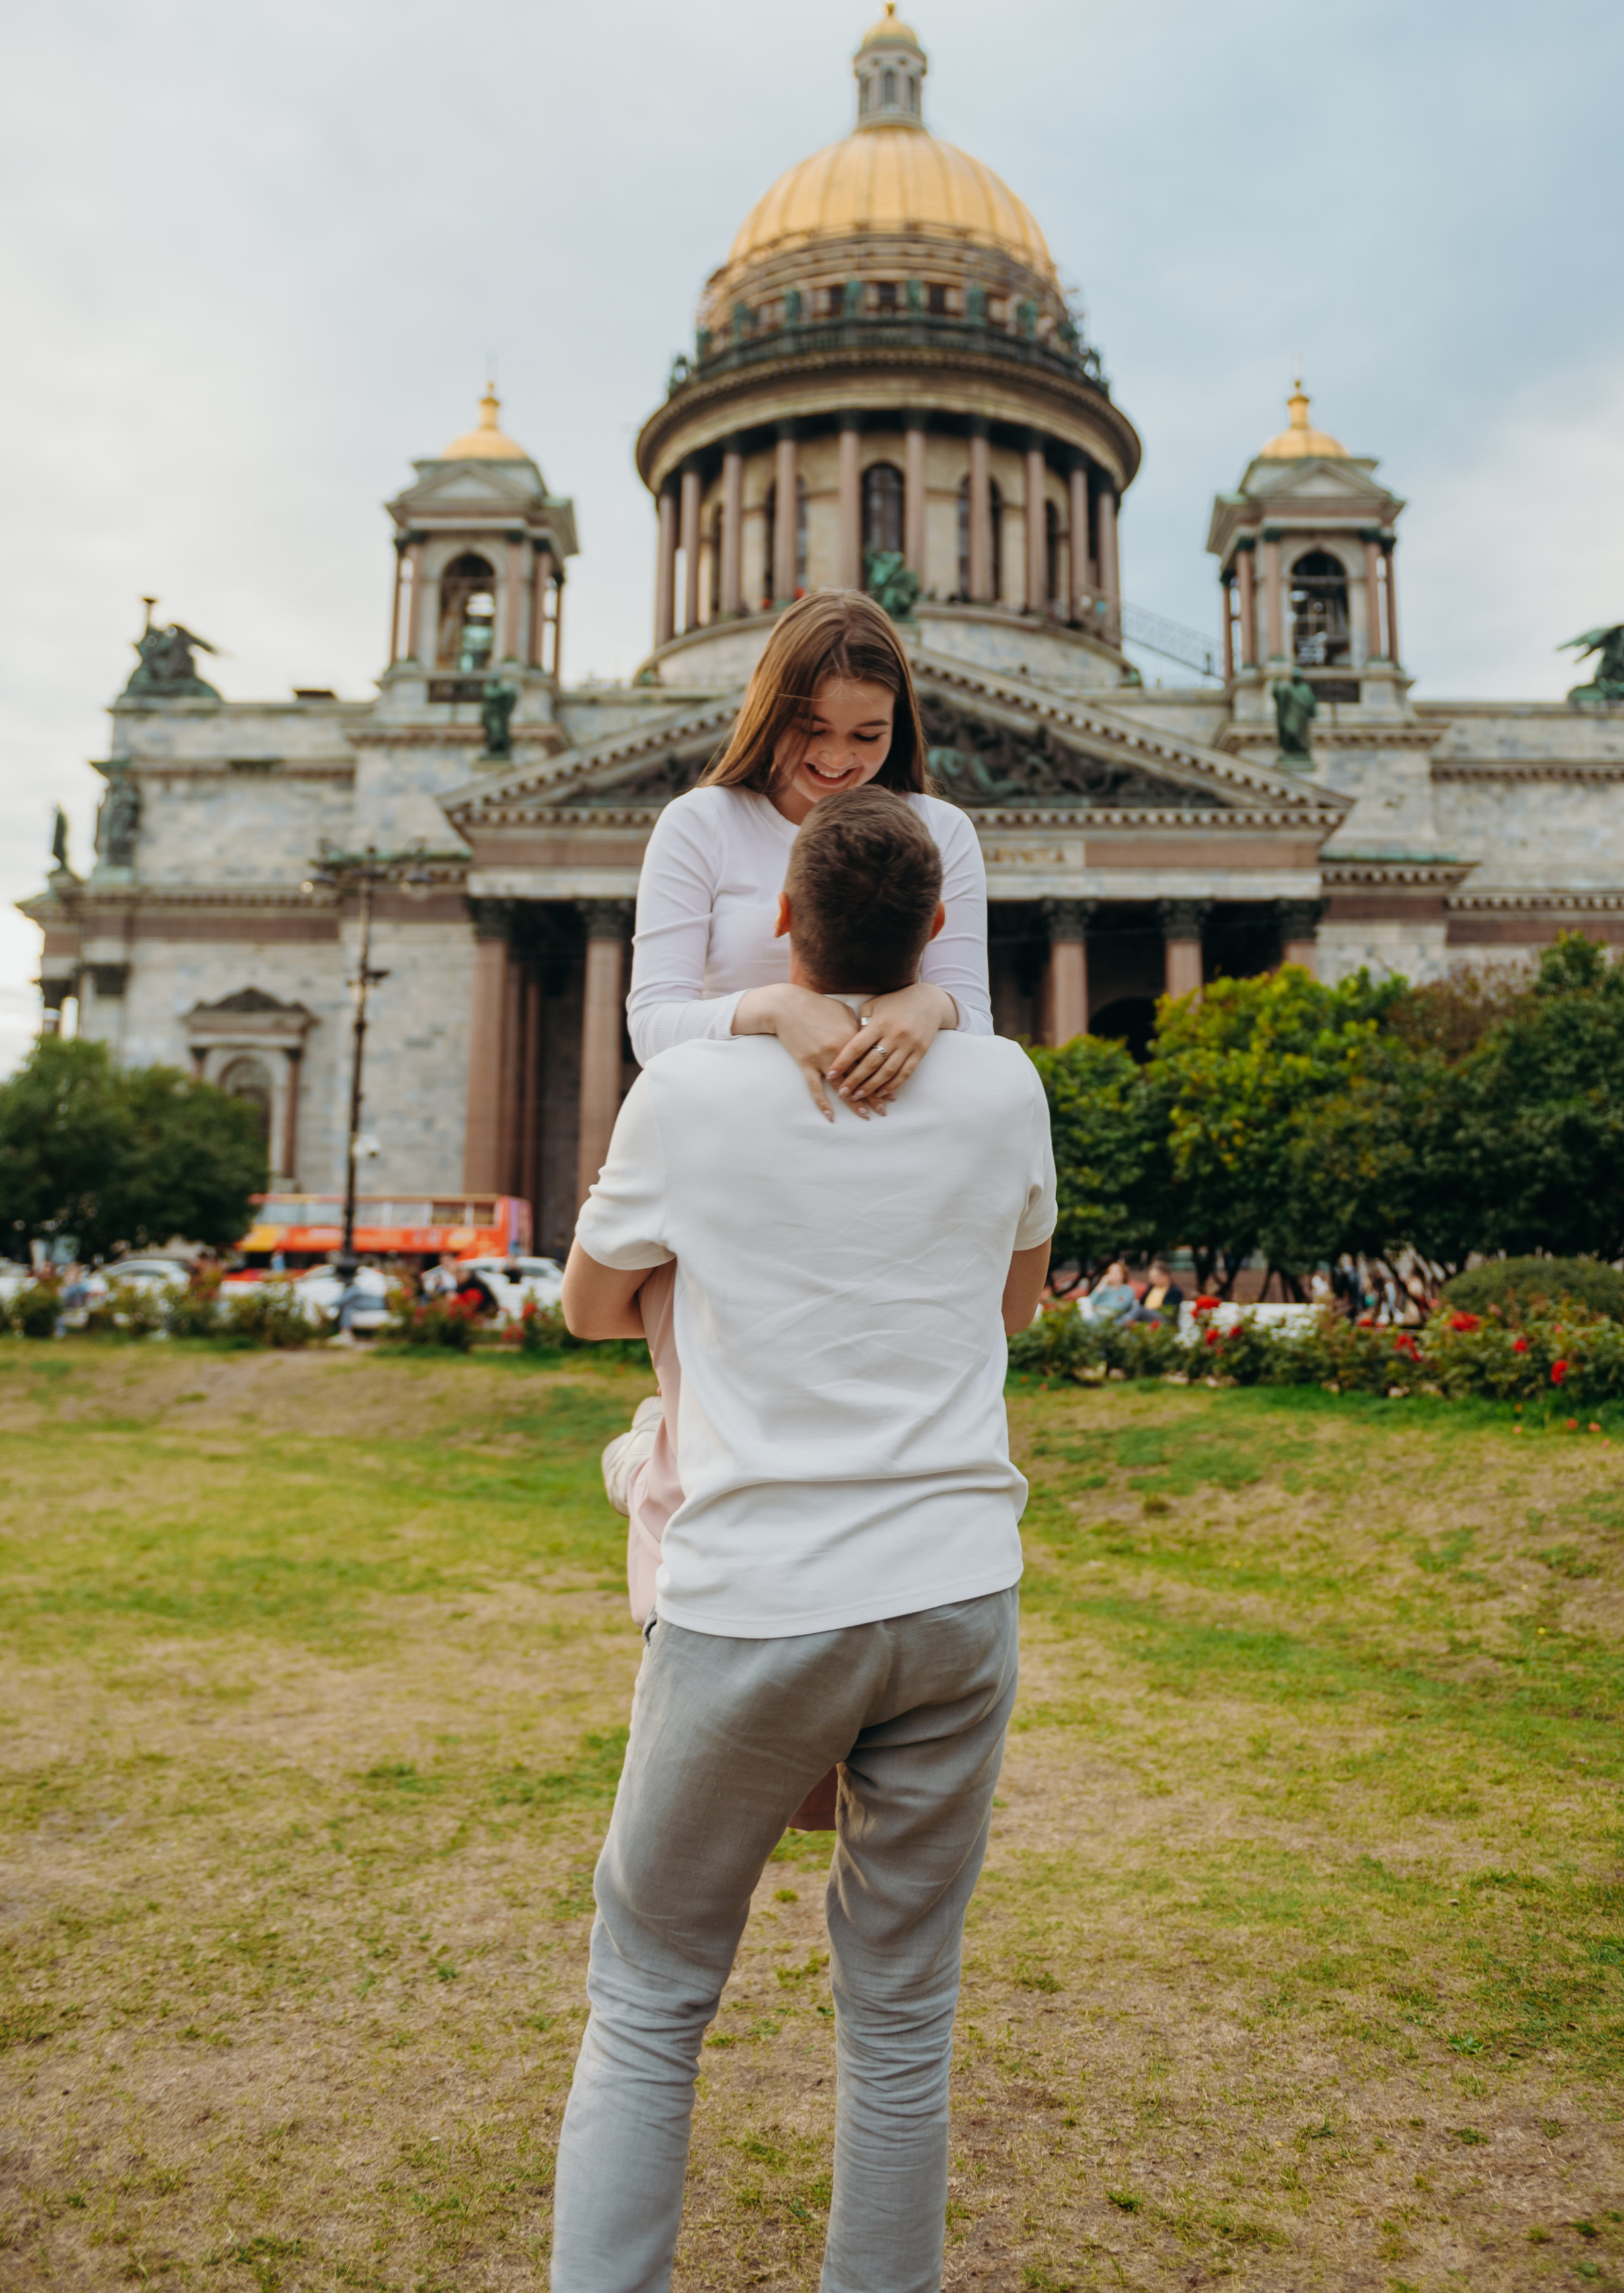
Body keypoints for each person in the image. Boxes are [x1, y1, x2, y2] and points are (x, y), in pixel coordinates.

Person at [552, 788, 1056, 2293]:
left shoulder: (691, 1094)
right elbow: (1012, 1308)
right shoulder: (1005, 1083)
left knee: (650, 1998)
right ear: (933, 937)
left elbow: (586, 1307)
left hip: (758, 1601)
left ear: (777, 922)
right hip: (955, 1600)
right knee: (901, 2015)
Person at [606, 587, 994, 1621]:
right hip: (737, 1189)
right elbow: (651, 1023)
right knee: (718, 1464)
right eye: (811, 729)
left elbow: (978, 1020)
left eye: (869, 734)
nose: (838, 758)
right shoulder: (699, 823)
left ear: (900, 726)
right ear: (768, 709)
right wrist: (773, 1007)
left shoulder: (940, 827)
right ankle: (683, 1605)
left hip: (883, 1189)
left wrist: (927, 1001)